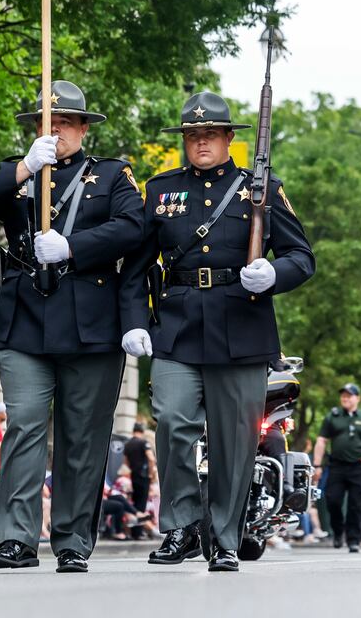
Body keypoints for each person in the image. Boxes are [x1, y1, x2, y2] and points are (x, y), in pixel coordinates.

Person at [124, 91, 315, 573]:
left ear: (230, 138)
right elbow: (135, 268)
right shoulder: (161, 190)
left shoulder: (262, 188)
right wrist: (134, 322)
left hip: (243, 324)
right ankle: (183, 525)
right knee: (171, 421)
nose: (201, 142)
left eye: (210, 134)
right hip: (178, 325)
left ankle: (226, 537)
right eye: (193, 135)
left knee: (234, 440)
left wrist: (274, 274)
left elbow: (302, 257)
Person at [0, 80, 145, 573]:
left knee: (82, 435)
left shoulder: (111, 176)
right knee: (22, 425)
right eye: (47, 123)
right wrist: (25, 167)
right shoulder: (18, 173)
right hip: (25, 318)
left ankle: (70, 539)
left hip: (90, 321)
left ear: (84, 128)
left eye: (64, 122)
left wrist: (74, 247)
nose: (56, 130)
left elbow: (134, 227)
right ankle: (16, 538)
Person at [312, 382, 361, 552]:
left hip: (358, 468)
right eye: (343, 395)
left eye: (349, 395)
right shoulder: (333, 417)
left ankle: (353, 539)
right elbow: (322, 441)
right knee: (332, 500)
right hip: (336, 466)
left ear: (357, 398)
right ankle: (338, 532)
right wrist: (317, 465)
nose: (345, 398)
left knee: (356, 505)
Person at [124, 421, 157, 516]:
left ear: (133, 431)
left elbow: (125, 463)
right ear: (142, 431)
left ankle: (135, 530)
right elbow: (151, 459)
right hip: (143, 477)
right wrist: (151, 474)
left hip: (132, 478)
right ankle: (138, 530)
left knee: (134, 505)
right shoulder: (144, 442)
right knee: (141, 506)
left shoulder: (127, 444)